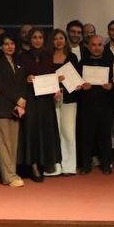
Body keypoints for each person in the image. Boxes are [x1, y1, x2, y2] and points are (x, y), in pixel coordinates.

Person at [18, 28, 60, 182]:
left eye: (40, 37)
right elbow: (17, 78)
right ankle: (33, 164)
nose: (37, 40)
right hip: (30, 99)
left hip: (46, 100)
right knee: (32, 131)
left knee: (45, 130)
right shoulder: (22, 57)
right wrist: (25, 78)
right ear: (29, 39)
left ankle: (44, 162)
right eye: (34, 37)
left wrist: (56, 90)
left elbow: (51, 76)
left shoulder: (48, 56)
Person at [0, 35, 27, 188]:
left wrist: (22, 102)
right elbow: (0, 84)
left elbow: (22, 83)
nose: (10, 46)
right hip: (1, 107)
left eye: (12, 43)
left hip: (16, 108)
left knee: (12, 144)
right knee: (3, 144)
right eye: (6, 44)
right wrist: (17, 99)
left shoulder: (19, 62)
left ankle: (11, 172)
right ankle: (9, 176)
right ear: (1, 46)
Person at [78, 35, 114, 175]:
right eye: (93, 45)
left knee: (105, 136)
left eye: (99, 45)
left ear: (103, 47)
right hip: (87, 105)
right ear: (88, 46)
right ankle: (85, 165)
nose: (96, 48)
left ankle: (106, 164)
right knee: (86, 136)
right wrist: (82, 85)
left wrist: (111, 86)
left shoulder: (110, 62)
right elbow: (76, 83)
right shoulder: (82, 62)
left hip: (106, 105)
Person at [50, 29, 80, 175]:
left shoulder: (72, 57)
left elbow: (77, 77)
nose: (58, 41)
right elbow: (44, 77)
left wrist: (78, 84)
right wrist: (54, 81)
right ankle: (55, 166)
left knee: (68, 133)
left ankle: (69, 166)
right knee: (54, 133)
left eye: (61, 38)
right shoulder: (47, 57)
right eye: (55, 39)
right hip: (51, 98)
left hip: (69, 98)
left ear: (65, 40)